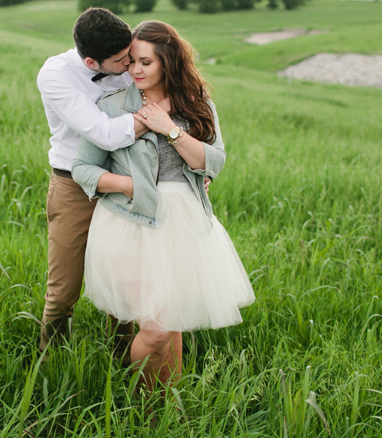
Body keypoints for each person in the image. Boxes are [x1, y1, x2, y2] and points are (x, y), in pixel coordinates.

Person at [71, 20, 255, 392]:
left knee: (170, 325)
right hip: (129, 221)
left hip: (184, 222)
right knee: (155, 330)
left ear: (168, 63)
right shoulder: (111, 107)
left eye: (145, 63)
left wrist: (169, 127)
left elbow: (213, 161)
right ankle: (129, 390)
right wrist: (129, 185)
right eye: (132, 62)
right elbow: (82, 168)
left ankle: (164, 410)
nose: (134, 71)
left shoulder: (198, 106)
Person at [36, 8, 148, 357]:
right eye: (121, 61)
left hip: (125, 178)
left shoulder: (129, 62)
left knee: (124, 282)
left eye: (131, 54)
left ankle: (124, 358)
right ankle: (51, 361)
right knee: (64, 287)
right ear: (90, 61)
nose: (131, 65)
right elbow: (103, 133)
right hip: (74, 186)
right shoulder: (56, 74)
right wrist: (153, 120)